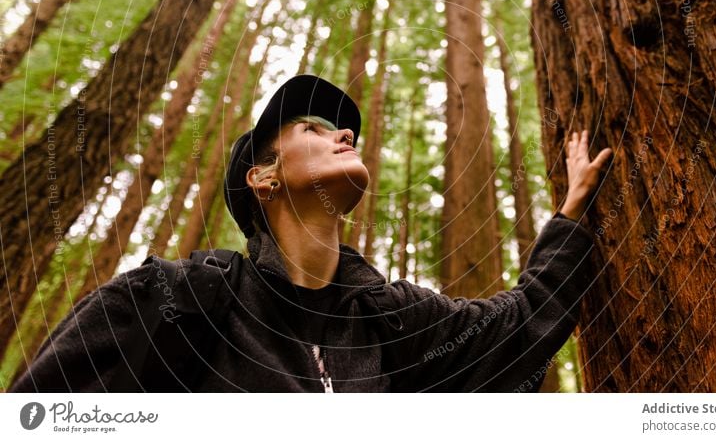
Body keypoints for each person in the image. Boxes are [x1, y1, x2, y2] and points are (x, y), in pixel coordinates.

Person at [10, 74, 612, 392]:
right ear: (264, 177)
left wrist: (572, 211)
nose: (344, 135)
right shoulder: (168, 300)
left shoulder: (393, 323)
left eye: (343, 130)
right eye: (313, 128)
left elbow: (520, 324)